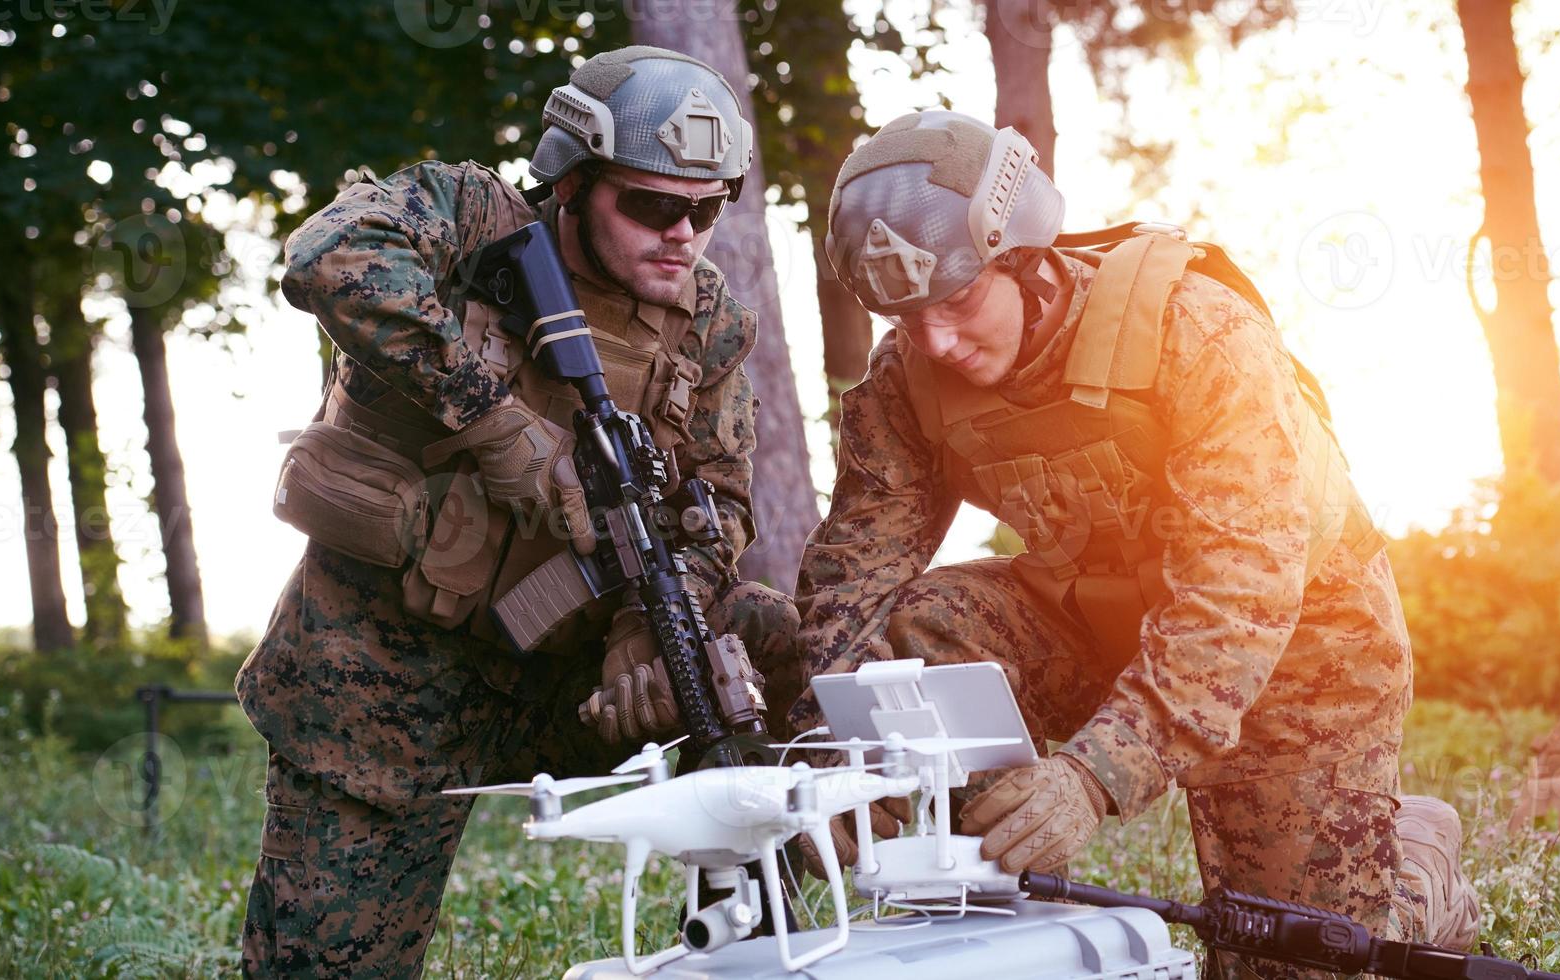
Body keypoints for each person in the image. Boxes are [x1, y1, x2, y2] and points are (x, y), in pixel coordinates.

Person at [789, 110, 1481, 977]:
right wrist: (829, 750)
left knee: (1293, 958)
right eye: (904, 315)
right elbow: (854, 569)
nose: (937, 341)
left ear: (1023, 258)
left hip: (1303, 645)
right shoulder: (909, 376)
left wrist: (1092, 775)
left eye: (959, 300)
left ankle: (1414, 865)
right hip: (1102, 616)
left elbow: (1239, 597)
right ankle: (996, 922)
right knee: (928, 630)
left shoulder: (1198, 332)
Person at [236, 46, 799, 977]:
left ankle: (748, 931)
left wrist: (640, 635)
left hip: (564, 677)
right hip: (379, 683)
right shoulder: (466, 221)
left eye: (710, 206)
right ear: (571, 183)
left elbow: (721, 505)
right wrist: (494, 423)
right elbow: (327, 254)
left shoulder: (709, 325)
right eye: (655, 205)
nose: (685, 234)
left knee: (755, 631)